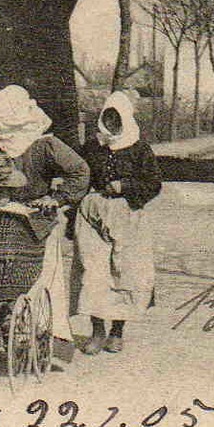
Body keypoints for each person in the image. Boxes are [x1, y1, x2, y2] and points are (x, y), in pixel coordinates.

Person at [0, 85, 90, 344]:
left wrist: (55, 199)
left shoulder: (45, 144)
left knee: (42, 272)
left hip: (33, 215)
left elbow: (80, 171)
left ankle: (42, 328)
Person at [75, 91, 162, 355]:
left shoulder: (140, 149)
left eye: (117, 120)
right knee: (94, 272)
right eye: (107, 119)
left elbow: (154, 184)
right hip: (94, 215)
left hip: (128, 217)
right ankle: (97, 331)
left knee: (124, 273)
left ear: (126, 118)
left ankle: (117, 332)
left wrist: (124, 186)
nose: (111, 125)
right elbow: (79, 176)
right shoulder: (92, 148)